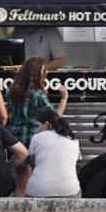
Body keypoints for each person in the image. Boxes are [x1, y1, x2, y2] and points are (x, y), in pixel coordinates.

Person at [5, 56, 67, 196]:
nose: (47, 74)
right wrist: (64, 98)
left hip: (15, 139)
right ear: (37, 73)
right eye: (44, 71)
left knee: (22, 183)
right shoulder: (38, 95)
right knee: (39, 181)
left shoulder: (11, 91)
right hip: (33, 140)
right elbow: (54, 119)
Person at [26, 106, 82, 197]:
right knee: (77, 189)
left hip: (38, 191)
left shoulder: (36, 137)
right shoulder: (72, 139)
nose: (37, 129)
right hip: (69, 191)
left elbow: (33, 163)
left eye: (38, 126)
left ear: (47, 124)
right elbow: (73, 162)